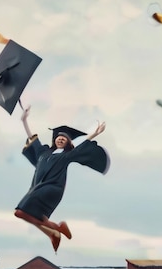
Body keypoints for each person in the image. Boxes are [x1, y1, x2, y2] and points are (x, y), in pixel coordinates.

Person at [16, 104, 110, 252]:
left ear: (67, 143)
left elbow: (81, 147)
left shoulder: (66, 155)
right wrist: (24, 120)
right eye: (59, 138)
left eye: (64, 139)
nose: (61, 140)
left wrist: (95, 133)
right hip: (37, 188)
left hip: (52, 189)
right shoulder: (43, 153)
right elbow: (31, 137)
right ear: (54, 140)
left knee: (23, 212)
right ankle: (55, 232)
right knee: (22, 213)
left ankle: (57, 229)